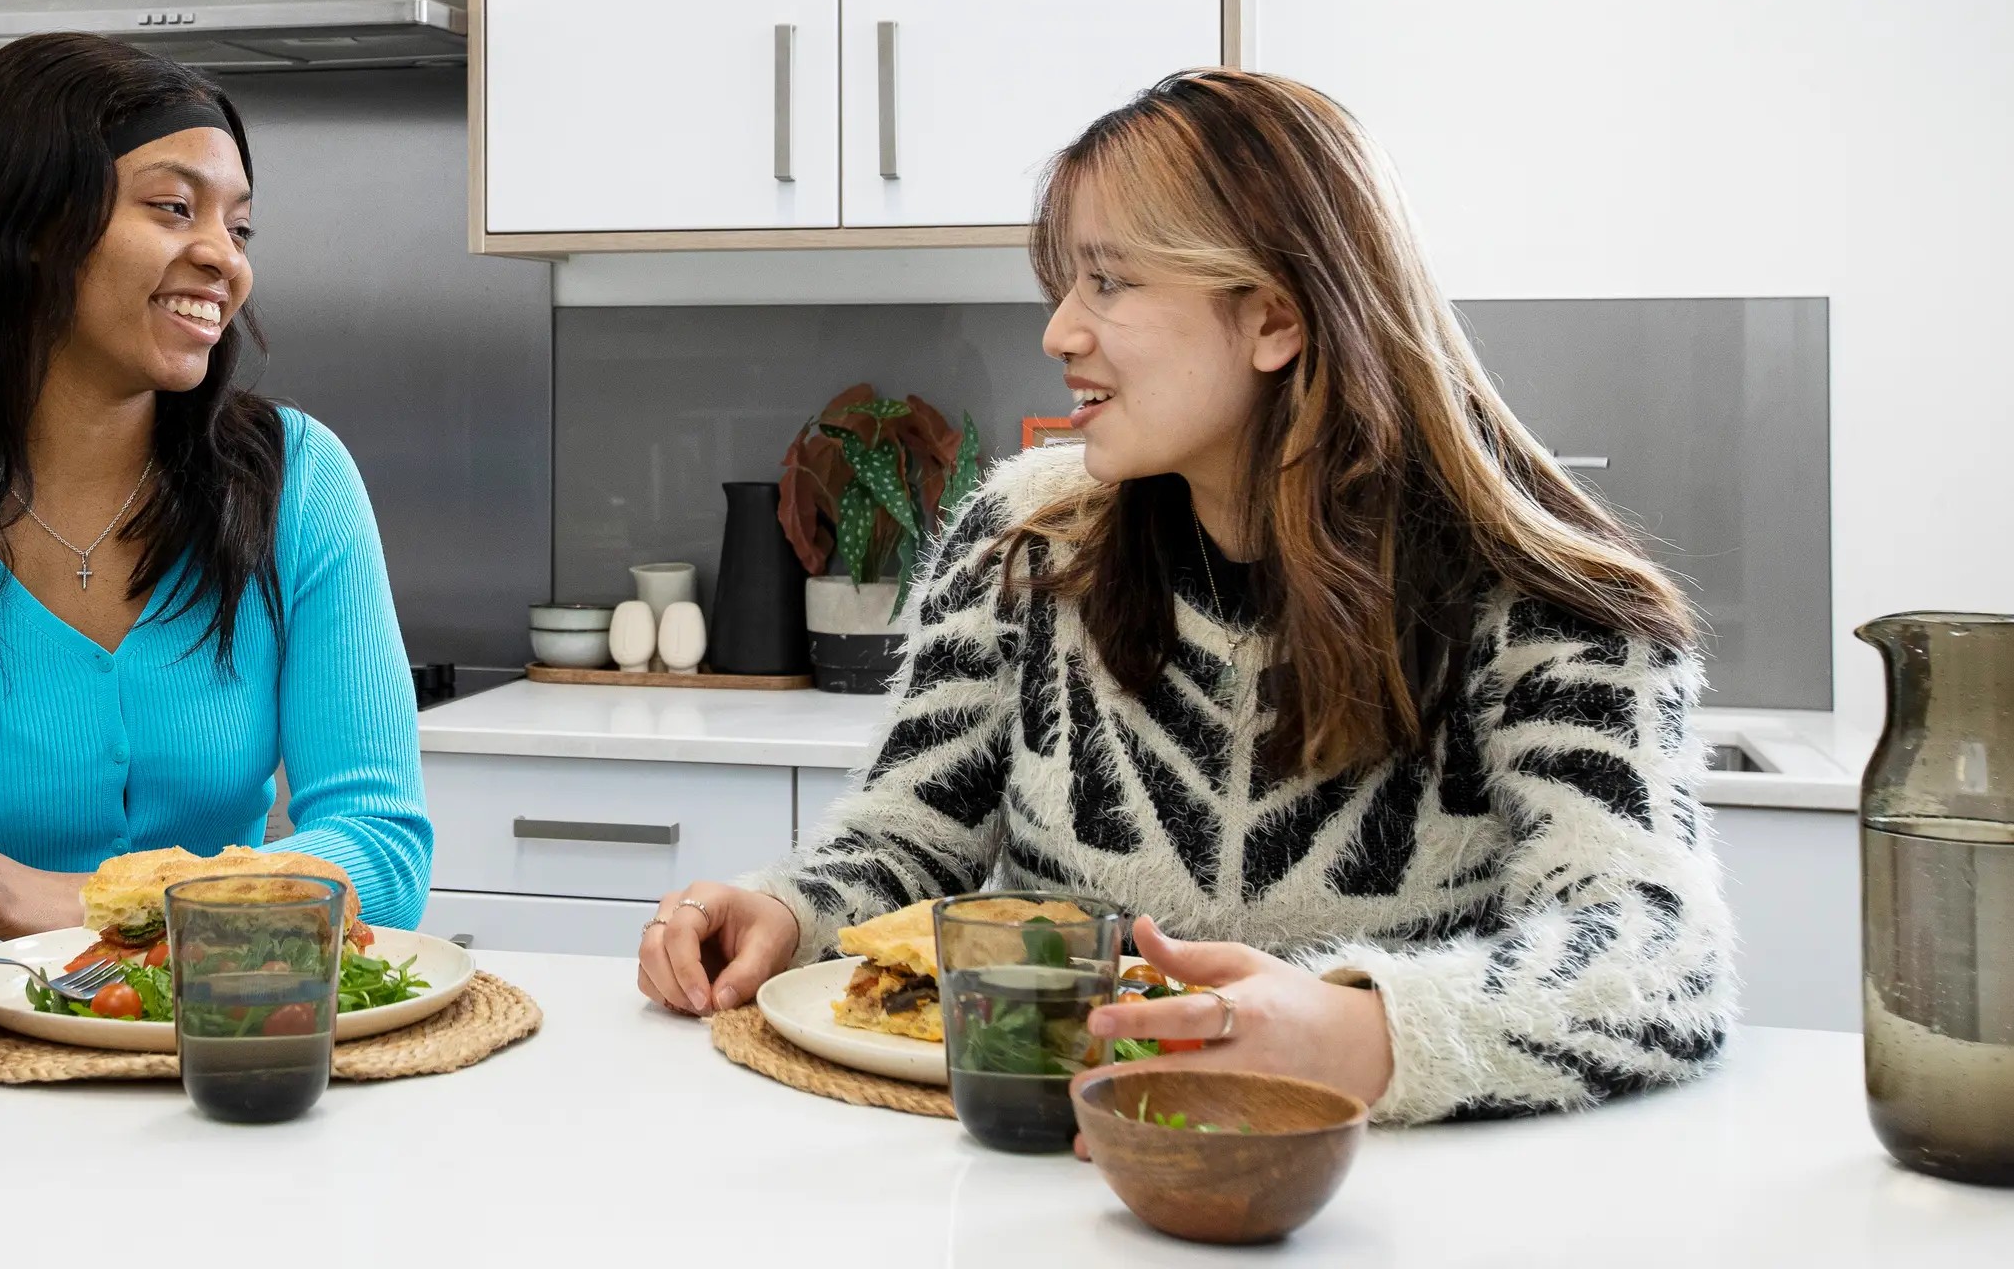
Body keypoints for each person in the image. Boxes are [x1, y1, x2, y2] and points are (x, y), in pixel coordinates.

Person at [637, 69, 1733, 1124]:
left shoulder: (1543, 598)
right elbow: (909, 837)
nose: (1060, 330)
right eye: (1066, 283)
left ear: (1273, 319)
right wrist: (789, 907)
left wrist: (1354, 1033)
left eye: (1108, 281)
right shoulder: (1024, 541)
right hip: (1066, 1180)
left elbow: (1659, 955)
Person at [0, 34, 431, 1065]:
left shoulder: (294, 482)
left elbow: (378, 841)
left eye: (238, 224)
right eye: (173, 207)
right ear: (26, 226)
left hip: (234, 1049)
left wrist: (68, 901)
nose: (225, 258)